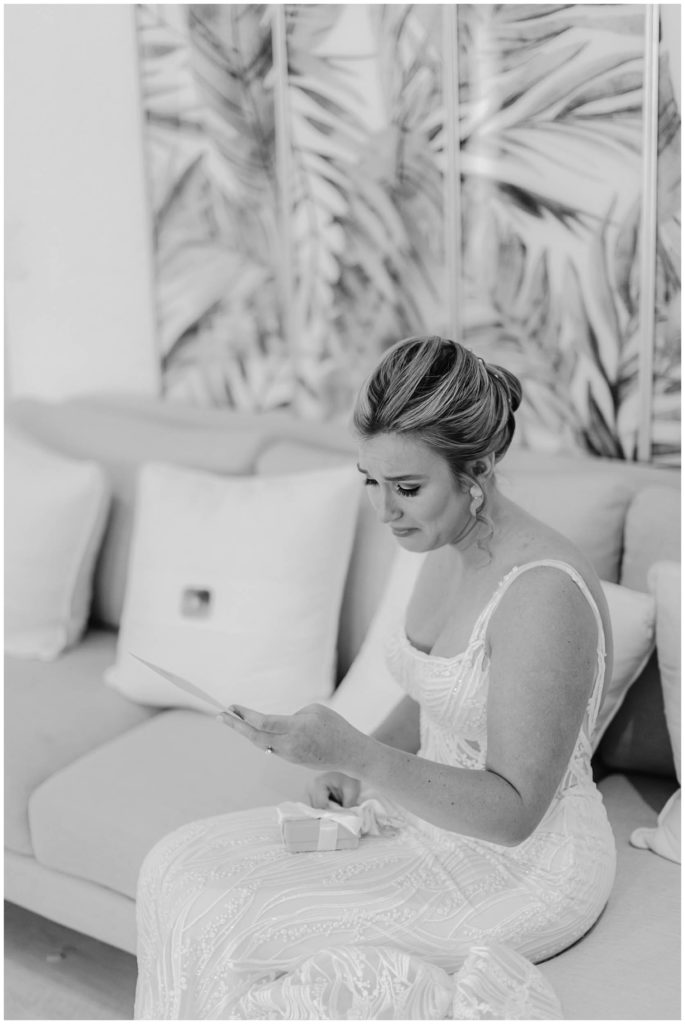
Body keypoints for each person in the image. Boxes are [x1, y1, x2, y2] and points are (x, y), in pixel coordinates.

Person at [134, 336, 616, 1019]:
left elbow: (513, 814)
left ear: (475, 471)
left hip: (522, 865)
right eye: (371, 481)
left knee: (228, 919)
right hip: (432, 815)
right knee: (175, 866)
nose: (383, 510)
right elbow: (436, 696)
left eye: (407, 487)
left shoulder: (542, 596)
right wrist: (355, 770)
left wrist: (355, 752)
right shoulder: (444, 541)